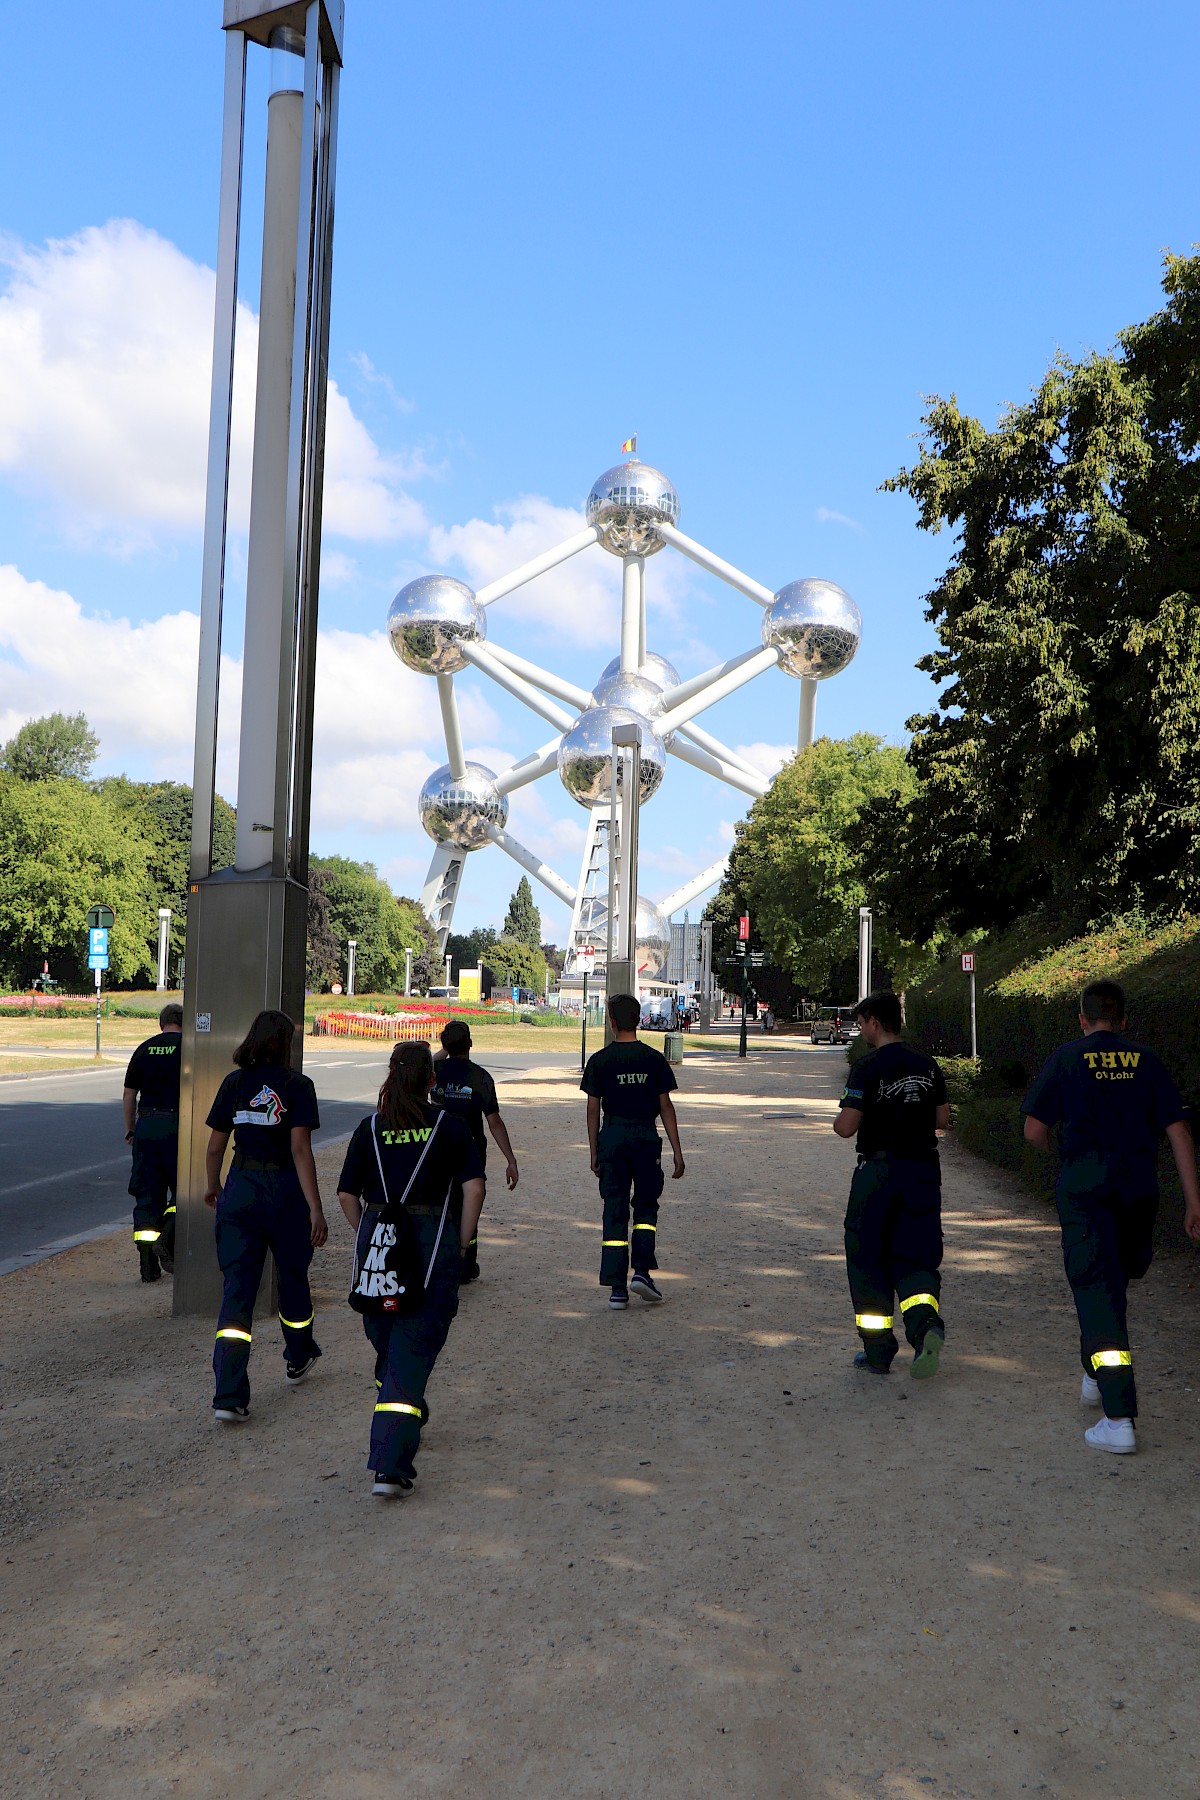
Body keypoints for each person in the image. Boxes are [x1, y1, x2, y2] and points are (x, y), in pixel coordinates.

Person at [1022, 979, 1200, 1455]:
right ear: (1123, 1019)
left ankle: (1118, 1417)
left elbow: (1034, 1129)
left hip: (1085, 1189)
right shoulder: (1147, 1059)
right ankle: (1093, 1373)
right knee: (1112, 1281)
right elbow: (1178, 1130)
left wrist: (1059, 1156)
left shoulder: (1067, 1058)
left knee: (1096, 1285)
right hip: (1138, 1189)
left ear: (1083, 1019)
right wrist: (1194, 1201)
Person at [337, 1040, 485, 1498]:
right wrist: (460, 1245)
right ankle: (390, 1465)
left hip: (379, 1239)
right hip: (430, 1239)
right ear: (431, 1080)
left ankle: (400, 1397)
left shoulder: (370, 1129)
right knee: (413, 1345)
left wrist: (369, 1233)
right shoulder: (452, 1127)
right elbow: (474, 1189)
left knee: (386, 1335)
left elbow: (346, 1195)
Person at [203, 1010, 328, 1423]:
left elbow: (215, 1147)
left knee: (237, 1290)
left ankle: (229, 1396)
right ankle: (298, 1354)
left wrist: (214, 1186)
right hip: (285, 1192)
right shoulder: (298, 1086)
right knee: (292, 1277)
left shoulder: (234, 1084)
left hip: (241, 1187)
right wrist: (315, 1207)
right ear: (286, 1043)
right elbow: (299, 1150)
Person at [832, 991, 949, 1378]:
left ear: (875, 1023)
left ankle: (879, 1352)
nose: (861, 1029)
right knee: (916, 1256)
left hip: (877, 1173)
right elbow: (943, 1119)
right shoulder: (927, 1064)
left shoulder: (867, 1068)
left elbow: (846, 1127)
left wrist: (847, 1119)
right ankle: (925, 1326)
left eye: (862, 1022)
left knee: (867, 1256)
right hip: (921, 1173)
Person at [581, 993, 685, 1310]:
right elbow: (666, 1106)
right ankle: (641, 1271)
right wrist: (678, 1152)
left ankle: (616, 1288)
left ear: (612, 1022)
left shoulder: (600, 1060)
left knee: (614, 1208)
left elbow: (592, 1109)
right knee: (645, 1209)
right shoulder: (653, 1059)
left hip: (612, 1136)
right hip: (645, 1136)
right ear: (638, 1020)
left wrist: (594, 1150)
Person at [431, 1019, 518, 1282]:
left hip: (435, 1149)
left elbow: (427, 1059)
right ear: (470, 1044)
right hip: (470, 1150)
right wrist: (510, 1159)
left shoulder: (434, 1071)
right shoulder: (481, 1077)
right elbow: (494, 1122)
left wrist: (444, 1048)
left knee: (439, 1203)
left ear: (445, 1044)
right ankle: (466, 1263)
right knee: (469, 1203)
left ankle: (437, 1259)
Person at [122, 1002, 183, 1282]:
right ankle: (169, 1234)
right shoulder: (189, 1048)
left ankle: (147, 1266)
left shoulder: (144, 1048)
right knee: (183, 1192)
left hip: (147, 1125)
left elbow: (129, 1095)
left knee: (147, 1195)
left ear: (161, 1023)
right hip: (178, 1126)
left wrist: (131, 1129)